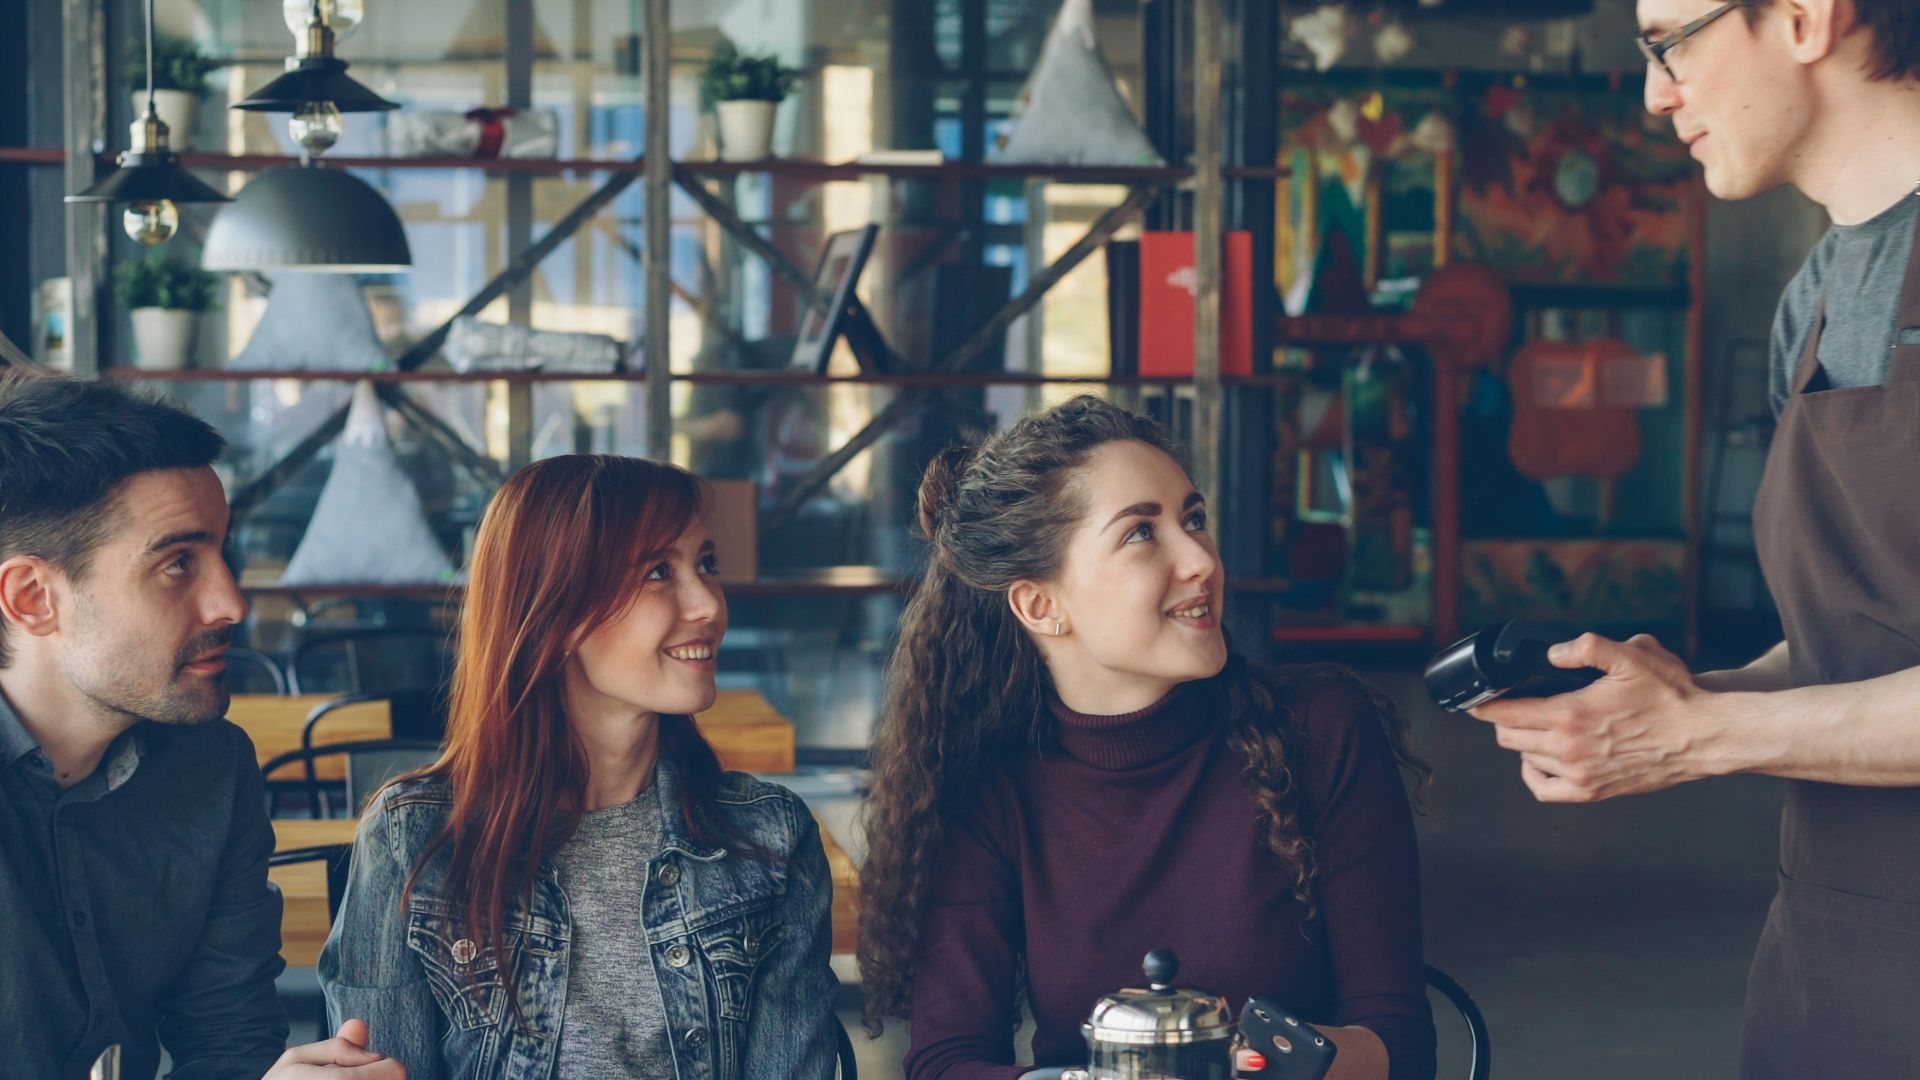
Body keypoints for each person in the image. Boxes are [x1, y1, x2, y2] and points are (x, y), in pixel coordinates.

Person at [1470, 2, 1920, 1076]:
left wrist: (1707, 735)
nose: (1654, 92)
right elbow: (1856, 643)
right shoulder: (1812, 301)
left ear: (1805, 18)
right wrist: (1681, 700)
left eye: (1669, 39)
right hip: (1836, 957)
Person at [857, 396, 1436, 1080]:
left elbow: (1399, 1043)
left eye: (1194, 519)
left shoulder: (1321, 727)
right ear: (1040, 605)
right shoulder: (989, 784)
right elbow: (946, 1062)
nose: (1200, 559)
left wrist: (1242, 1068)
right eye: (1141, 533)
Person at [318, 454, 840, 1080]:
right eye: (657, 572)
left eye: (706, 564)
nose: (707, 604)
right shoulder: (413, 839)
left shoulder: (771, 838)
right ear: (555, 612)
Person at [0, 372, 401, 1078]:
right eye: (177, 563)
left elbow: (229, 1043)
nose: (232, 603)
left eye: (222, 552)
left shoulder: (209, 765)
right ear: (33, 598)